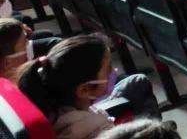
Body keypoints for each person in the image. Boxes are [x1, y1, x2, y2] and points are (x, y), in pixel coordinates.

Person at [16, 34, 160, 139]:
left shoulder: (45, 101)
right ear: (84, 90)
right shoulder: (99, 130)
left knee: (136, 82)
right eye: (108, 69)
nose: (113, 72)